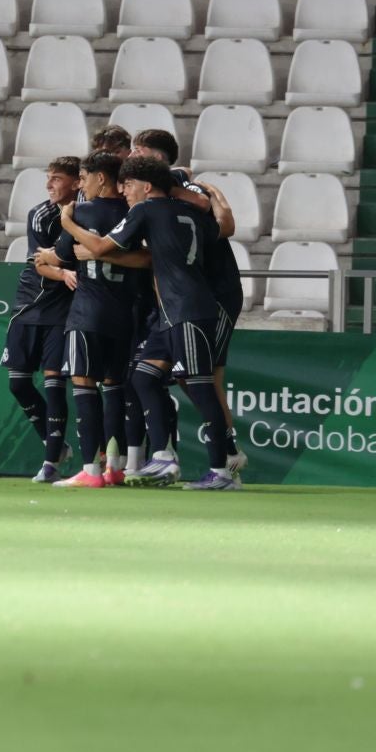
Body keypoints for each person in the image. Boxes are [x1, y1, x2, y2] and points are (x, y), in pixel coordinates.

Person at [63, 157, 243, 491]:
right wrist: (219, 201)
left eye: (128, 185)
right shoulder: (188, 213)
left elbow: (101, 245)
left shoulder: (145, 211)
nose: (123, 191)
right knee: (143, 376)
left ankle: (222, 471)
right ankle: (163, 455)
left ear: (147, 186)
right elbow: (224, 229)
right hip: (172, 311)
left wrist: (69, 223)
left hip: (188, 309)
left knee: (202, 388)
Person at [123, 130, 244, 487]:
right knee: (148, 376)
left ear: (154, 160)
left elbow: (219, 218)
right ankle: (163, 458)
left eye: (137, 152)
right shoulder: (158, 198)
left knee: (204, 378)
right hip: (174, 304)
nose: (131, 157)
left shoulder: (179, 188)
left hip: (212, 296)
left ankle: (227, 460)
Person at [36, 153, 140, 489]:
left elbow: (62, 254)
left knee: (83, 384)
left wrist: (46, 255)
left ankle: (90, 470)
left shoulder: (81, 212)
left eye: (84, 177)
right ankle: (116, 467)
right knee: (114, 388)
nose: (81, 184)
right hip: (125, 313)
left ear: (101, 178)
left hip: (87, 312)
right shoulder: (132, 213)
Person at [3, 158, 80, 483]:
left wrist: (64, 268)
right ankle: (56, 445)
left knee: (54, 385)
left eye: (57, 179)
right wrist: (62, 271)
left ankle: (50, 463)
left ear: (77, 183)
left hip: (62, 310)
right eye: (48, 178)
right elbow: (40, 262)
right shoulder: (40, 213)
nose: (49, 184)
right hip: (29, 302)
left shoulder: (85, 215)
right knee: (18, 383)